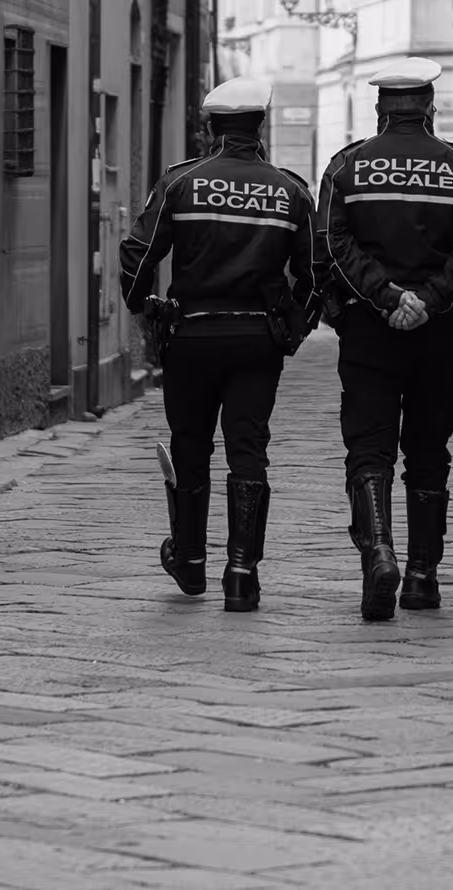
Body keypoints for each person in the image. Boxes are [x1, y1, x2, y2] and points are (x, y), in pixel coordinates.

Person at [120, 77, 318, 612]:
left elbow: (138, 252)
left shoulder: (182, 184)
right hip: (257, 339)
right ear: (261, 124)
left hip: (192, 337)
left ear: (210, 127)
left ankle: (188, 560)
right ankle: (241, 573)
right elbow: (317, 274)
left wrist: (141, 308)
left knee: (190, 446)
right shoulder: (291, 191)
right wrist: (296, 325)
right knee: (249, 451)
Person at [317, 58, 453, 622]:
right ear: (430, 106)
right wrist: (430, 302)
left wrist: (387, 298)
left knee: (369, 449)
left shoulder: (346, 168)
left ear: (379, 108)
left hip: (369, 332)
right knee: (428, 453)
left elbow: (328, 245)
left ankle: (378, 556)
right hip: (438, 335)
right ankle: (422, 576)